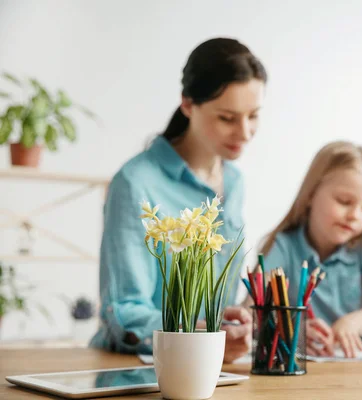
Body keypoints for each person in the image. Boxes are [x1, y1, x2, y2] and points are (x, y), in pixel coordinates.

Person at [90, 38, 267, 363]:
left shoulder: (235, 182)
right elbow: (122, 313)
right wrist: (198, 334)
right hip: (134, 366)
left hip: (208, 367)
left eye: (253, 115)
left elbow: (214, 299)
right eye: (227, 118)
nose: (245, 132)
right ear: (187, 104)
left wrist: (236, 323)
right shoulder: (135, 182)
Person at [255, 141, 362, 358]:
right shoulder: (284, 246)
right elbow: (256, 309)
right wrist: (290, 329)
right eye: (344, 201)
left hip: (355, 364)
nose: (355, 215)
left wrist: (351, 323)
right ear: (310, 195)